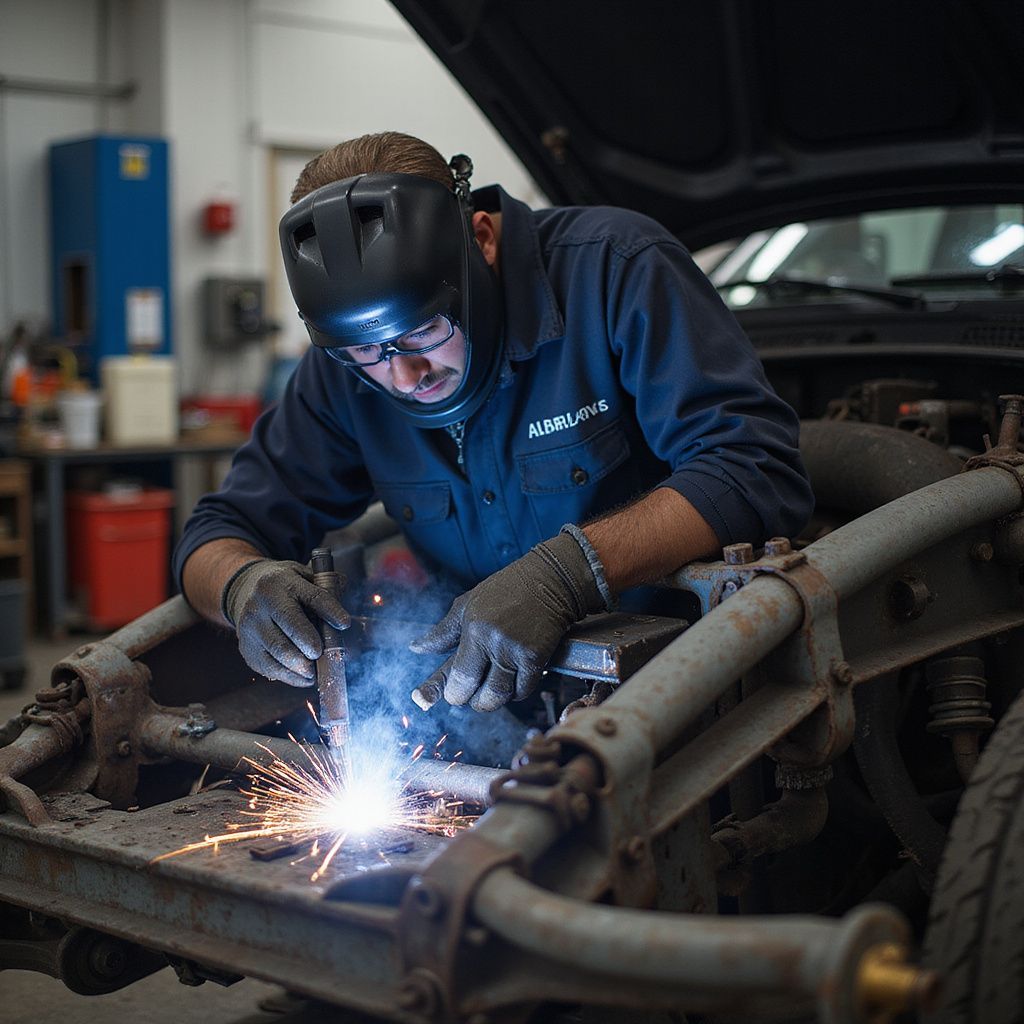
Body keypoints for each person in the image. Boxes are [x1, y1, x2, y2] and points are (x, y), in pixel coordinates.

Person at [175, 132, 813, 714]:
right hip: (490, 713)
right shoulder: (343, 370)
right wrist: (242, 585)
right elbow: (217, 531)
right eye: (366, 353)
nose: (404, 375)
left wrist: (570, 572)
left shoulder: (615, 267)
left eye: (425, 330)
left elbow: (752, 469)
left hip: (696, 687)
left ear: (480, 239)